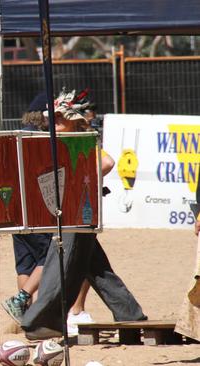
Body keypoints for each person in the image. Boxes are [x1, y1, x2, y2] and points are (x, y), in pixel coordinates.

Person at [21, 88, 147, 340]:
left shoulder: (82, 140)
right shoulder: (60, 142)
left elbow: (108, 162)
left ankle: (40, 320)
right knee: (98, 269)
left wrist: (80, 175)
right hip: (69, 214)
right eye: (52, 118)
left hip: (80, 214)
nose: (52, 122)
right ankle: (130, 314)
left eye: (58, 118)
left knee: (60, 263)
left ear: (72, 121)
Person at [2, 93, 52, 325]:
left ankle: (24, 319)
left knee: (25, 265)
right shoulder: (43, 139)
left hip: (15, 209)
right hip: (37, 209)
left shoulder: (17, 137)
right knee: (50, 255)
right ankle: (26, 306)